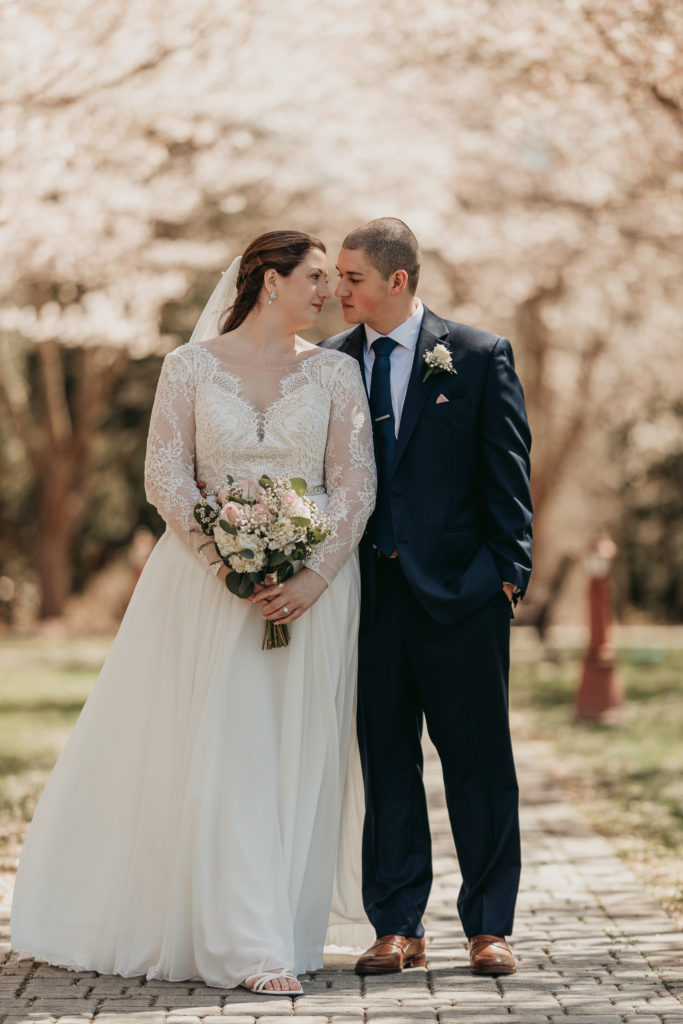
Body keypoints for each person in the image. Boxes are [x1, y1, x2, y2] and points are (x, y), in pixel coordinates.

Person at [11, 231, 376, 996]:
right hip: (203, 589)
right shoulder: (190, 367)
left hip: (313, 592)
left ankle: (275, 921)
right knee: (226, 745)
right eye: (313, 277)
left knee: (289, 749)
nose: (328, 291)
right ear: (267, 281)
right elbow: (164, 474)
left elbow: (353, 487)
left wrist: (309, 577)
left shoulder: (338, 372)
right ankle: (245, 944)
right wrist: (224, 558)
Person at [321, 218, 533, 977]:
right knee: (386, 764)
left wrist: (507, 575)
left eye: (350, 278)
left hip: (463, 599)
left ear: (396, 282)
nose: (334, 289)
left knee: (478, 764)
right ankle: (397, 925)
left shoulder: (475, 356)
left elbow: (507, 472)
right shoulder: (330, 363)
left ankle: (488, 927)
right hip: (369, 603)